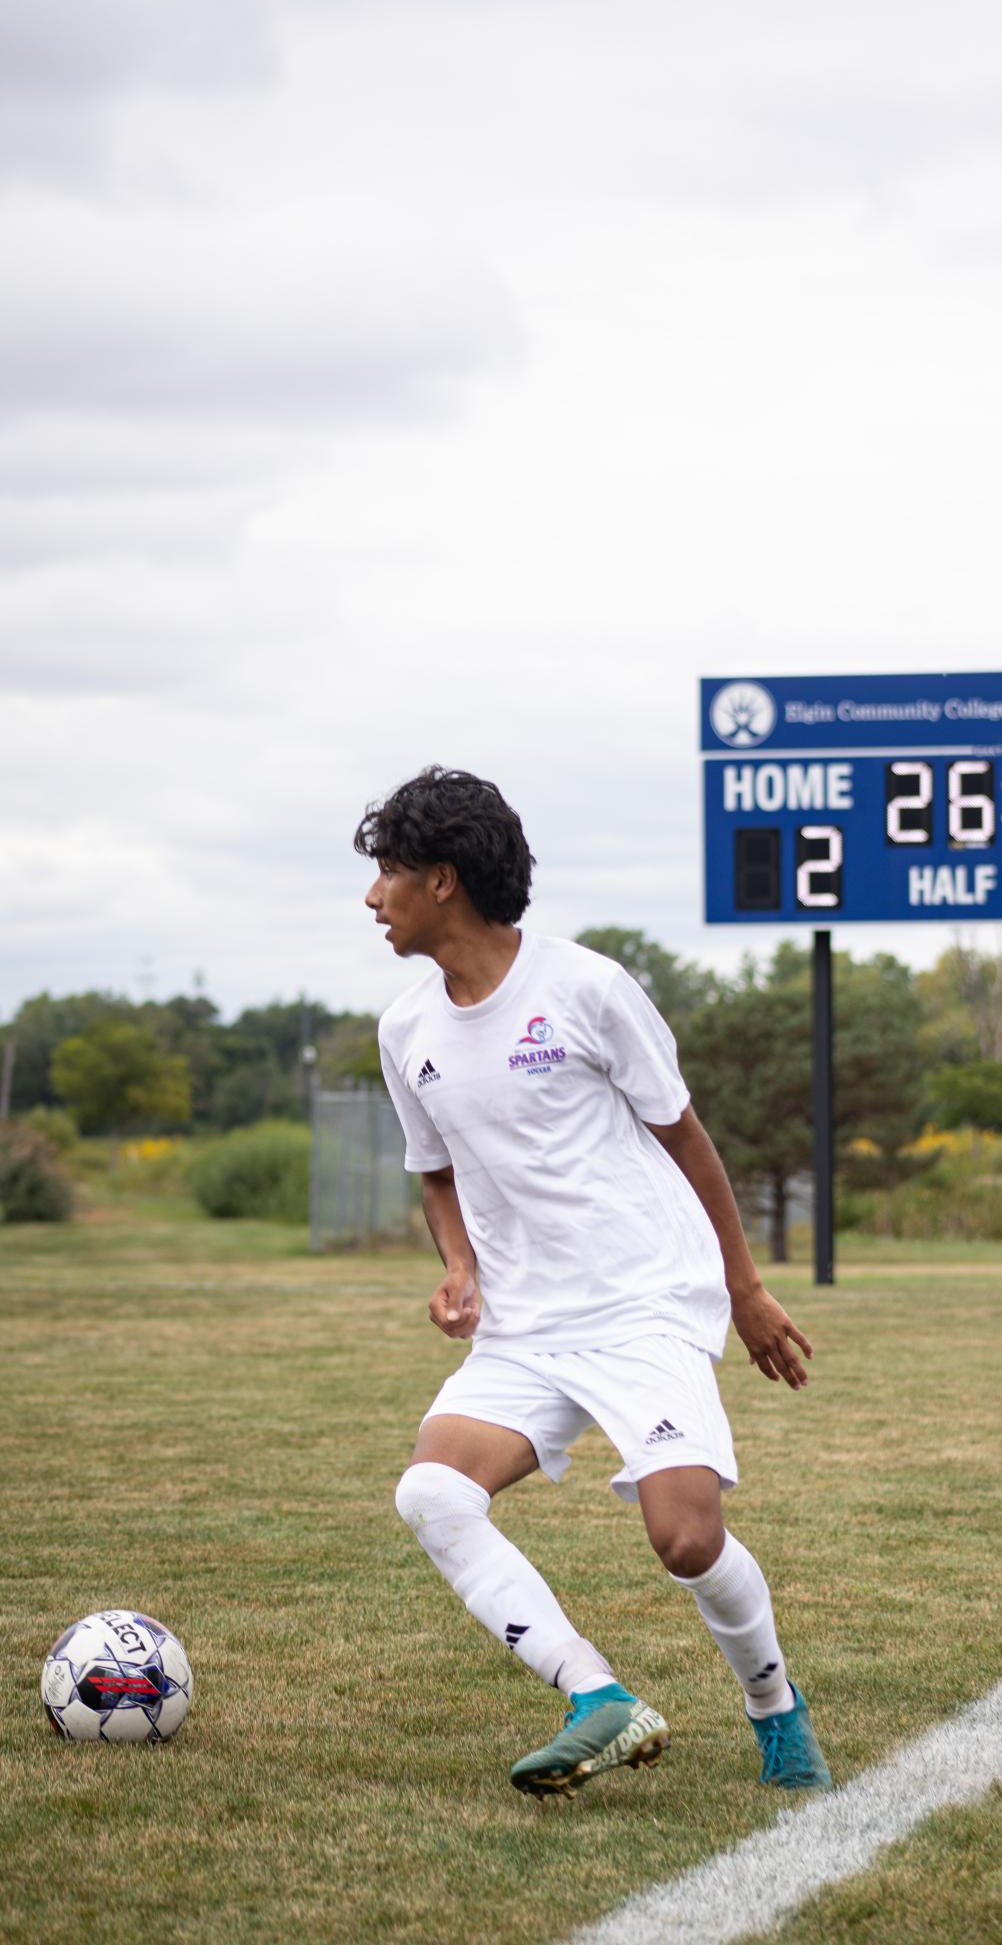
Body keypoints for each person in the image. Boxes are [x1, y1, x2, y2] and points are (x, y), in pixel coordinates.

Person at [359, 766, 831, 1798]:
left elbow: (688, 1140)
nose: (371, 896)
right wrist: (458, 1267)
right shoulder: (405, 1031)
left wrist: (744, 1288)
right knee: (432, 1492)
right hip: (525, 1327)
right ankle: (594, 1697)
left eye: (387, 872)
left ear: (441, 880)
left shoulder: (586, 988)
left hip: (643, 1301)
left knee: (684, 1538)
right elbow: (433, 1170)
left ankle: (774, 1711)